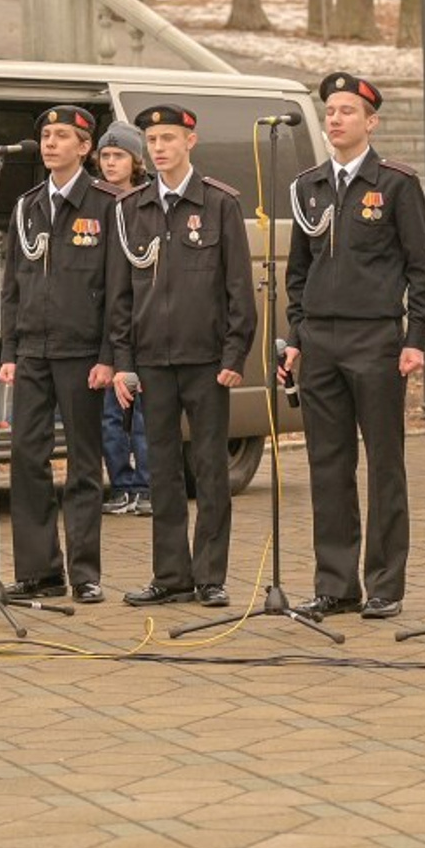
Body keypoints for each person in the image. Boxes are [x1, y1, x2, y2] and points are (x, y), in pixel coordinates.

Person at [284, 72, 425, 621]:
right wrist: (297, 334)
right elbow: (296, 272)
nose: (335, 118)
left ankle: (385, 584)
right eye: (330, 110)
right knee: (327, 466)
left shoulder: (395, 183)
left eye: (347, 110)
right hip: (320, 341)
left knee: (384, 465)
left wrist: (416, 338)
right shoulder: (308, 186)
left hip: (375, 339)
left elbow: (422, 270)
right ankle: (335, 583)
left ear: (370, 122)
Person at [110, 101, 257, 608]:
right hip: (152, 361)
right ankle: (170, 575)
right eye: (152, 142)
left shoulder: (218, 204)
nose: (159, 149)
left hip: (206, 362)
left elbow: (240, 289)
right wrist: (124, 362)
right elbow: (121, 296)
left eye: (168, 139)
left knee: (210, 468)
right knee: (163, 470)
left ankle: (210, 576)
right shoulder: (132, 209)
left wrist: (234, 356)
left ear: (190, 142)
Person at [0, 104, 119, 604]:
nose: (50, 143)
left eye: (62, 135)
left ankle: (85, 573)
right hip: (32, 351)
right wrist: (8, 349)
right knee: (27, 457)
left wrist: (110, 356)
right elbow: (11, 285)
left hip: (82, 352)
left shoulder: (106, 205)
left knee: (85, 464)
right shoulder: (27, 205)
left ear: (85, 148)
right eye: (46, 135)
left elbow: (118, 289)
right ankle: (38, 571)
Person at [96, 122, 152, 518]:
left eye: (119, 156)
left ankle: (147, 484)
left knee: (142, 416)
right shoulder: (94, 201)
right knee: (110, 415)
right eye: (106, 155)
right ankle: (121, 484)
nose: (111, 162)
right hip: (105, 325)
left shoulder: (147, 201)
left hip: (144, 323)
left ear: (136, 161)